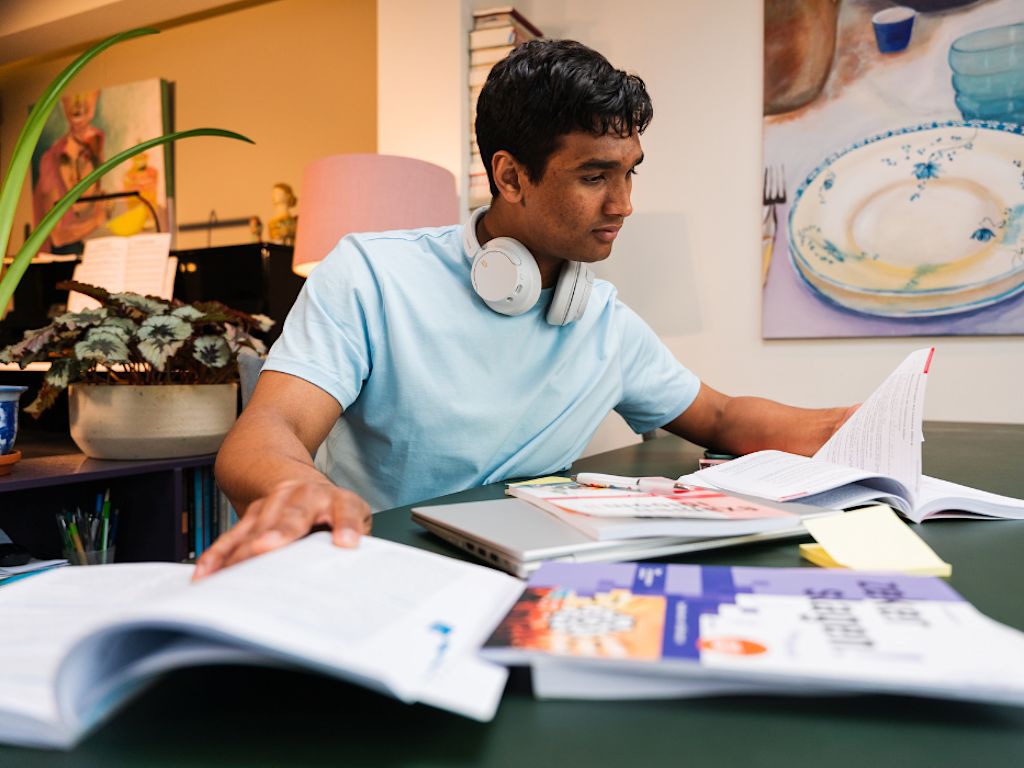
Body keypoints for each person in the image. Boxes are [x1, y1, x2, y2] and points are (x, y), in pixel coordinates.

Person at [196, 40, 855, 579]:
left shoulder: (601, 319)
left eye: (631, 172)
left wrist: (846, 425)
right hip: (371, 568)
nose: (624, 203)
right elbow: (266, 430)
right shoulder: (371, 274)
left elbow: (719, 415)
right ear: (511, 177)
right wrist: (293, 485)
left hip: (520, 571)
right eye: (596, 176)